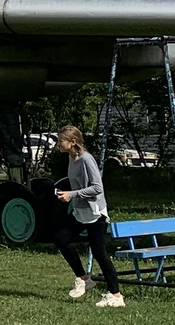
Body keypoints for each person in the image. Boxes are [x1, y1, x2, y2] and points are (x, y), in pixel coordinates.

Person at [53, 124, 123, 308]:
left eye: (61, 141)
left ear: (73, 142)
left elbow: (98, 188)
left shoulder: (86, 159)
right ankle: (84, 278)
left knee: (100, 254)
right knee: (61, 238)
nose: (58, 144)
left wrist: (72, 194)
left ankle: (115, 295)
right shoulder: (72, 158)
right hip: (80, 212)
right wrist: (67, 195)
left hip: (95, 213)